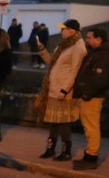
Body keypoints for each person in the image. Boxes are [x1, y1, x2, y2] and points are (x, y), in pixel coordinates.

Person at [35, 18, 88, 161]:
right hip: (53, 88)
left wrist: (64, 90)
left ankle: (66, 151)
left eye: (63, 29)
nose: (61, 31)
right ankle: (50, 148)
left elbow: (74, 71)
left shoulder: (78, 46)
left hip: (63, 91)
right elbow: (52, 63)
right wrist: (42, 50)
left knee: (63, 121)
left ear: (72, 31)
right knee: (53, 120)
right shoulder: (63, 46)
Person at [70, 27, 109, 171]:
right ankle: (89, 155)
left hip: (93, 97)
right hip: (90, 95)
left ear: (98, 39)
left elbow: (100, 79)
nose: (87, 40)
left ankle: (91, 157)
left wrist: (86, 94)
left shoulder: (103, 55)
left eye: (90, 38)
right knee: (90, 127)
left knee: (91, 127)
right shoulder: (97, 53)